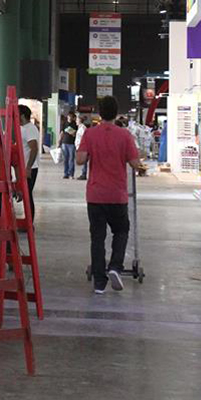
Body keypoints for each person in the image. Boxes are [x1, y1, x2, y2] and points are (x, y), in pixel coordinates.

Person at [77, 95, 141, 295]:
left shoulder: (90, 134)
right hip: (117, 194)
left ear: (99, 112)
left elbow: (80, 160)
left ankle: (99, 282)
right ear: (116, 112)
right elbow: (134, 163)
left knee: (97, 237)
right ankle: (115, 266)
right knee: (121, 231)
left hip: (95, 194)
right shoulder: (124, 135)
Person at [19, 105, 40, 220]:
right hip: (25, 167)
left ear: (22, 115)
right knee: (26, 194)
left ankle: (29, 222)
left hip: (30, 168)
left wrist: (28, 168)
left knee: (27, 195)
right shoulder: (23, 128)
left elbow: (34, 148)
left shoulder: (30, 129)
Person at [60, 114, 77, 179]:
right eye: (68, 117)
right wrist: (59, 142)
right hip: (64, 143)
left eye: (71, 117)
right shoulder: (64, 124)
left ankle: (71, 174)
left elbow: (75, 134)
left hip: (71, 143)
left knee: (71, 159)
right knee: (65, 159)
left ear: (72, 118)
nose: (69, 118)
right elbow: (62, 133)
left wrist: (72, 133)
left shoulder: (75, 124)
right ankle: (65, 173)